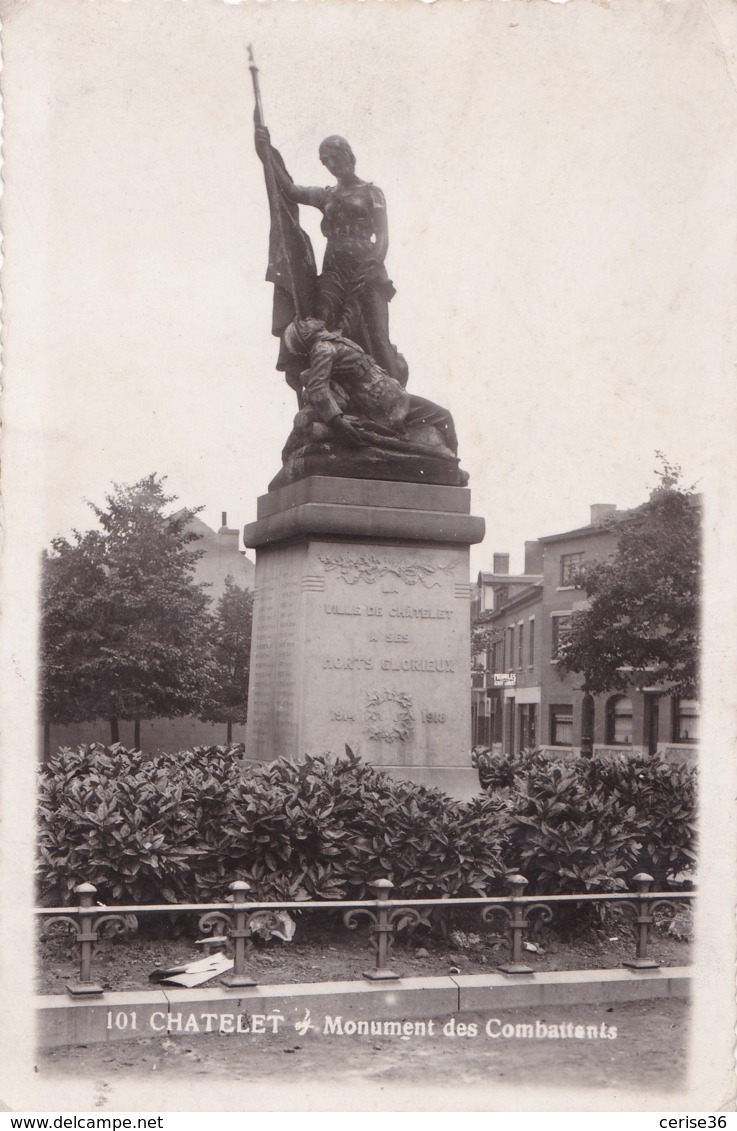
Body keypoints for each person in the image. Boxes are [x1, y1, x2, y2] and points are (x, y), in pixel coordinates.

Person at [255, 128, 408, 386]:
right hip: (334, 268)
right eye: (324, 161)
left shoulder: (373, 193)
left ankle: (394, 395)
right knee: (322, 326)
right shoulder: (326, 194)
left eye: (332, 158)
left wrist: (374, 263)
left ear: (346, 156)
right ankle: (327, 387)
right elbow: (291, 190)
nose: (329, 165)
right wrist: (266, 154)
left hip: (366, 268)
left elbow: (382, 237)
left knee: (377, 333)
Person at [280, 318, 457, 458]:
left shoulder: (333, 341)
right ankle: (452, 469)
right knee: (443, 416)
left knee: (444, 416)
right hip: (383, 404)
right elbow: (318, 388)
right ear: (305, 335)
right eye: (303, 323)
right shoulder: (323, 349)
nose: (309, 319)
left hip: (393, 395)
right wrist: (338, 421)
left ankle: (453, 470)